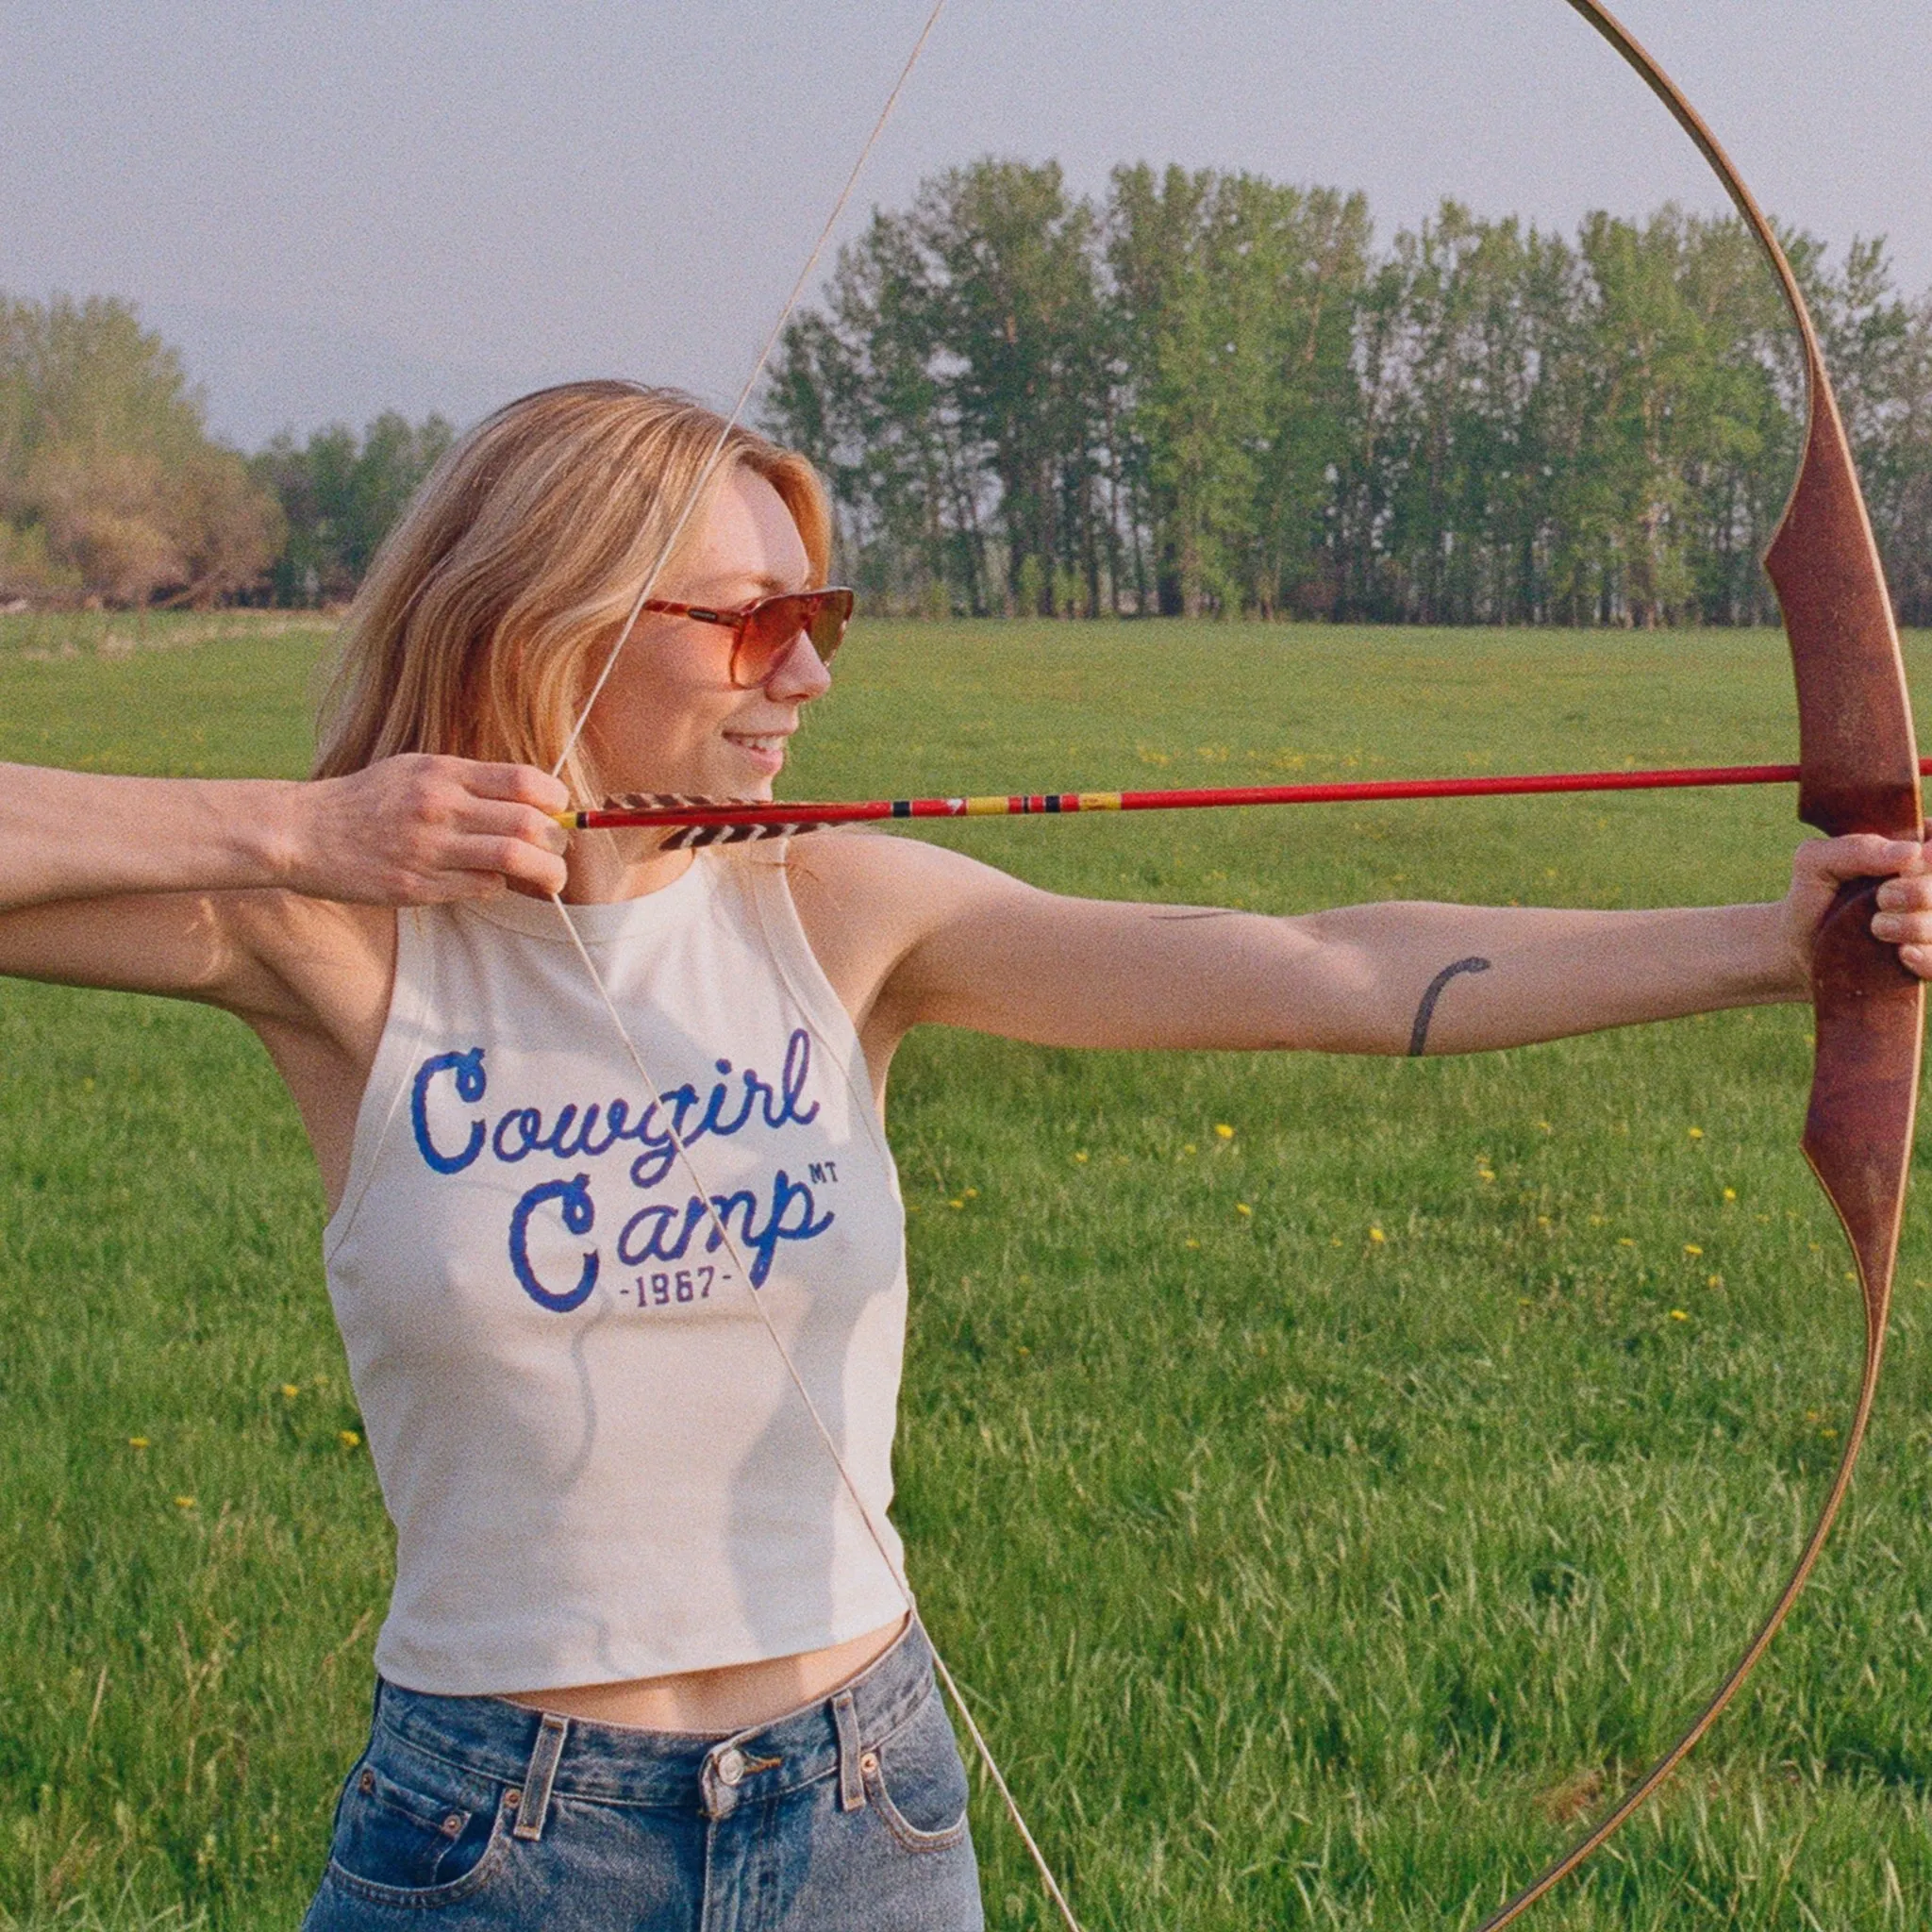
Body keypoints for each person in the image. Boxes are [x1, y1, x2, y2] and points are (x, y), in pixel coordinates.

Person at [3, 378, 1928, 1932]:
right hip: (498, 1839)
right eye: (750, 621)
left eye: (815, 618)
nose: (806, 675)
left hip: (858, 1810)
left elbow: (1324, 963)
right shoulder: (336, 951)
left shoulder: (834, 907)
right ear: (549, 620)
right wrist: (303, 830)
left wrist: (1771, 953)